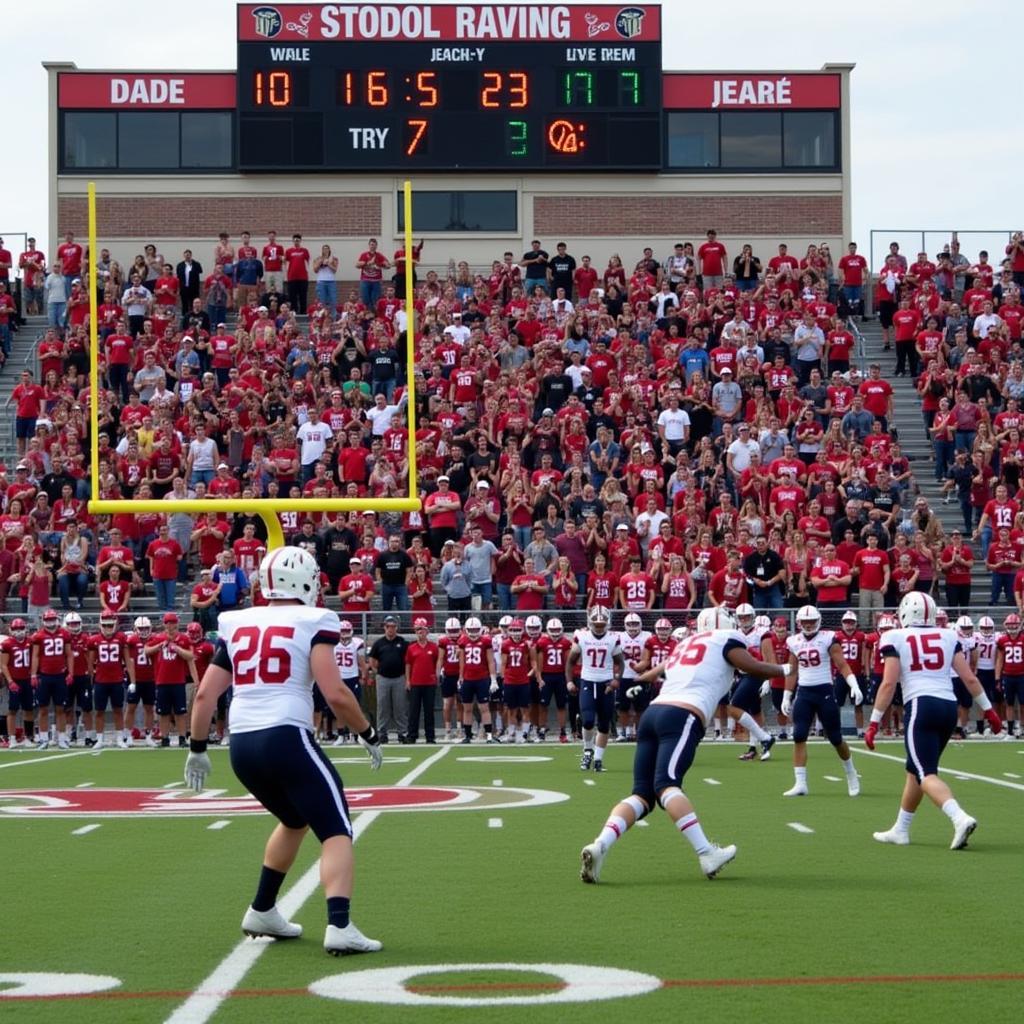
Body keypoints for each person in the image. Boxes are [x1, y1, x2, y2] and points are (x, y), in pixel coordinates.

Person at [184, 546, 384, 955]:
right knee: (337, 828)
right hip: (285, 735)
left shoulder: (237, 621)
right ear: (307, 581)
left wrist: (198, 747)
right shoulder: (314, 619)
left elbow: (205, 694)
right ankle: (340, 925)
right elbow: (337, 693)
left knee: (294, 819)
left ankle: (262, 909)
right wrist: (368, 733)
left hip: (241, 744)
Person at [579, 606, 789, 884]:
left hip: (653, 714)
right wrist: (786, 668)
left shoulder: (686, 642)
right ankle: (706, 853)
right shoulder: (726, 638)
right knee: (667, 784)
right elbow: (749, 665)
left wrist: (641, 681)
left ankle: (600, 844)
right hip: (683, 714)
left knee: (642, 794)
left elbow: (659, 670)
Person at [866, 591, 1001, 848]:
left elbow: (888, 682)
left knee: (925, 773)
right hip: (948, 707)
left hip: (921, 705)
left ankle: (959, 817)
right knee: (914, 770)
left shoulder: (894, 635)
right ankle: (901, 829)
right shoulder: (949, 635)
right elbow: (969, 678)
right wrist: (989, 710)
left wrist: (874, 722)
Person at [780, 605, 863, 798]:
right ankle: (800, 783)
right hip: (804, 692)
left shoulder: (828, 638)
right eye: (805, 622)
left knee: (835, 737)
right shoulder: (793, 641)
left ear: (817, 621)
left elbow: (842, 664)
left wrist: (854, 685)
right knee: (799, 735)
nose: (808, 625)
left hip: (825, 691)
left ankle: (851, 773)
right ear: (800, 622)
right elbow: (792, 671)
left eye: (811, 621)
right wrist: (786, 695)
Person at [565, 605, 624, 772]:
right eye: (596, 624)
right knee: (588, 720)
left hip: (606, 683)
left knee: (605, 724)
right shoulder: (582, 636)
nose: (598, 628)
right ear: (590, 623)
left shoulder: (613, 638)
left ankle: (598, 759)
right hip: (588, 682)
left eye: (601, 625)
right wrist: (569, 681)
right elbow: (570, 662)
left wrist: (616, 680)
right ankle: (587, 751)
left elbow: (620, 662)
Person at [368, 615, 409, 744]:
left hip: (399, 678)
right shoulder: (379, 643)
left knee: (400, 706)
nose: (390, 629)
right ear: (384, 628)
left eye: (393, 627)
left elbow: (408, 661)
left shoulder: (402, 642)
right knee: (382, 706)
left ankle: (402, 732)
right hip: (383, 678)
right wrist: (377, 672)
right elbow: (372, 660)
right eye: (388, 627)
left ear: (396, 628)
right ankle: (382, 732)